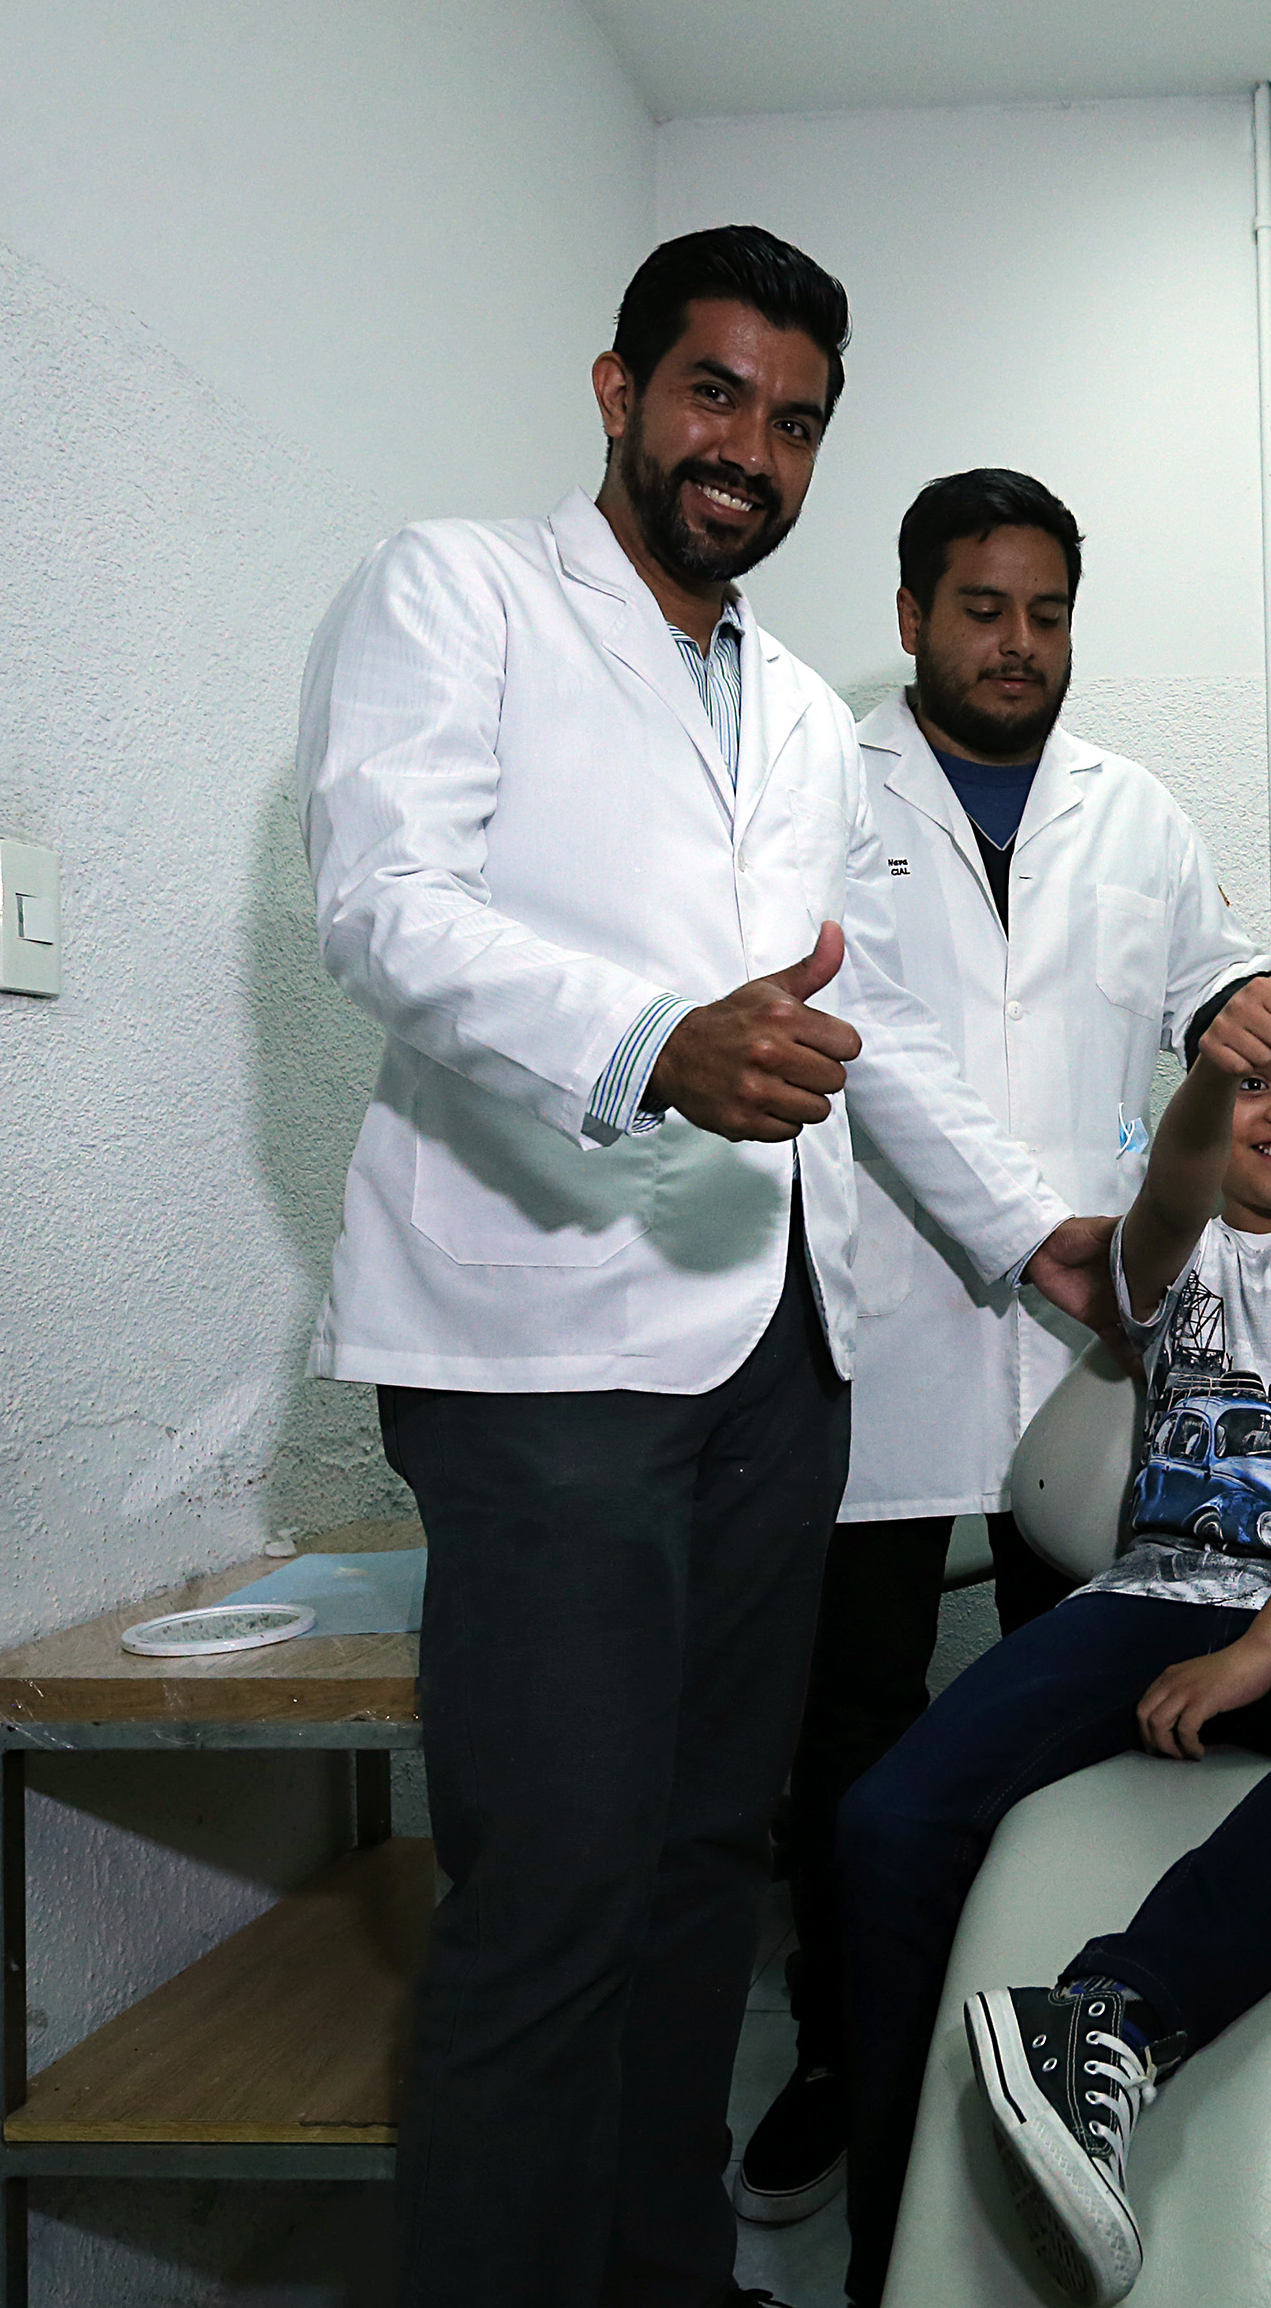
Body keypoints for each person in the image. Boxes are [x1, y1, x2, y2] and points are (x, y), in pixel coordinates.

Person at [296, 227, 1116, 2308]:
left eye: (793, 417)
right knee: (552, 1884)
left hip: (775, 1353)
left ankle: (662, 2273)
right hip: (542, 1345)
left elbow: (880, 1034)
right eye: (712, 392)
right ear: (619, 389)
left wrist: (1035, 1230)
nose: (746, 446)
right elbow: (380, 903)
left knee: (694, 1872)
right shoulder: (458, 589)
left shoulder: (797, 717)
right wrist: (648, 1038)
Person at [737, 468, 1271, 2230]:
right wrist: (1015, 1223)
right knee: (856, 1722)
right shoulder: (825, 786)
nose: (1019, 644)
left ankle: (1064, 2031)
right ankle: (844, 2042)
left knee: (1096, 1707)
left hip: (1100, 1338)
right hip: (892, 1306)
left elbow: (1205, 1003)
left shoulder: (1138, 808)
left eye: (1047, 614)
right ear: (911, 616)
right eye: (982, 608)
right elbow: (847, 1019)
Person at [831, 931, 1271, 2306]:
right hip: (1146, 1601)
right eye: (1259, 1083)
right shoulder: (1173, 1250)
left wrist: (1262, 1650)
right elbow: (1175, 1176)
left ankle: (1112, 2018)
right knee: (880, 1822)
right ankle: (897, 2245)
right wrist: (1213, 1064)